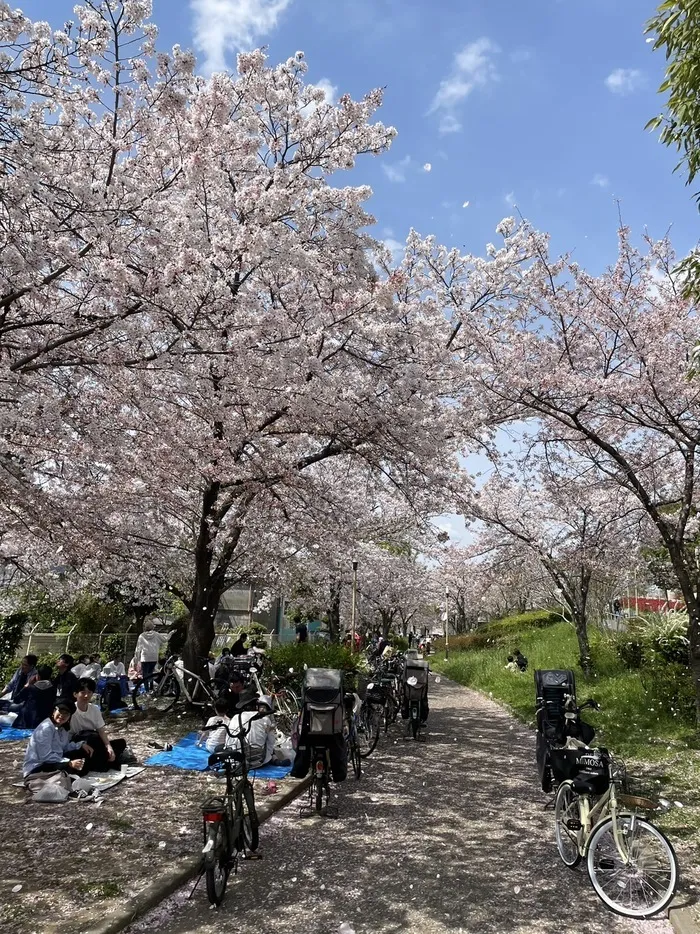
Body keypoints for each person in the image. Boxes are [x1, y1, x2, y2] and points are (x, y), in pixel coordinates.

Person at [22, 698, 91, 778]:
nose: (62, 715)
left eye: (66, 713)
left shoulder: (62, 728)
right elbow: (45, 757)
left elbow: (64, 747)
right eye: (61, 711)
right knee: (71, 770)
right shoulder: (46, 728)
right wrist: (69, 763)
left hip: (55, 761)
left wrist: (80, 745)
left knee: (82, 755)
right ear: (54, 711)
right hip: (38, 766)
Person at [69, 678, 127, 770]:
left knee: (120, 743)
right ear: (75, 694)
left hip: (94, 743)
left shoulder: (95, 709)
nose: (86, 696)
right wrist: (80, 744)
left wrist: (108, 747)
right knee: (91, 744)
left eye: (89, 692)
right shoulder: (70, 710)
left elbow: (101, 730)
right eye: (83, 692)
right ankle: (105, 762)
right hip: (78, 744)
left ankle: (103, 759)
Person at [134, 620, 174, 691]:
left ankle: (147, 690)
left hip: (145, 658)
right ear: (152, 627)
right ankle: (151, 688)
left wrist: (136, 660)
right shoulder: (156, 634)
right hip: (153, 657)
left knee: (145, 675)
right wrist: (171, 633)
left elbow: (138, 649)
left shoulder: (141, 636)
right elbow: (165, 639)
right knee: (151, 673)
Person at [13, 665, 56, 729]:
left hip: (26, 721)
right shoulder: (53, 689)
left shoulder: (31, 688)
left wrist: (27, 685)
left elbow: (16, 700)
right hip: (43, 721)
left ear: (38, 676)